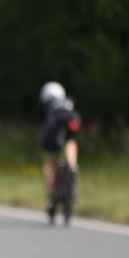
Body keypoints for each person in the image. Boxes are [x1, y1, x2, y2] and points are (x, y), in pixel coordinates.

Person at [38, 81, 81, 218]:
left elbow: (44, 124)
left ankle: (51, 196)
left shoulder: (47, 105)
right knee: (70, 141)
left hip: (54, 123)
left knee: (50, 159)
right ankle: (72, 166)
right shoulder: (67, 102)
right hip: (72, 119)